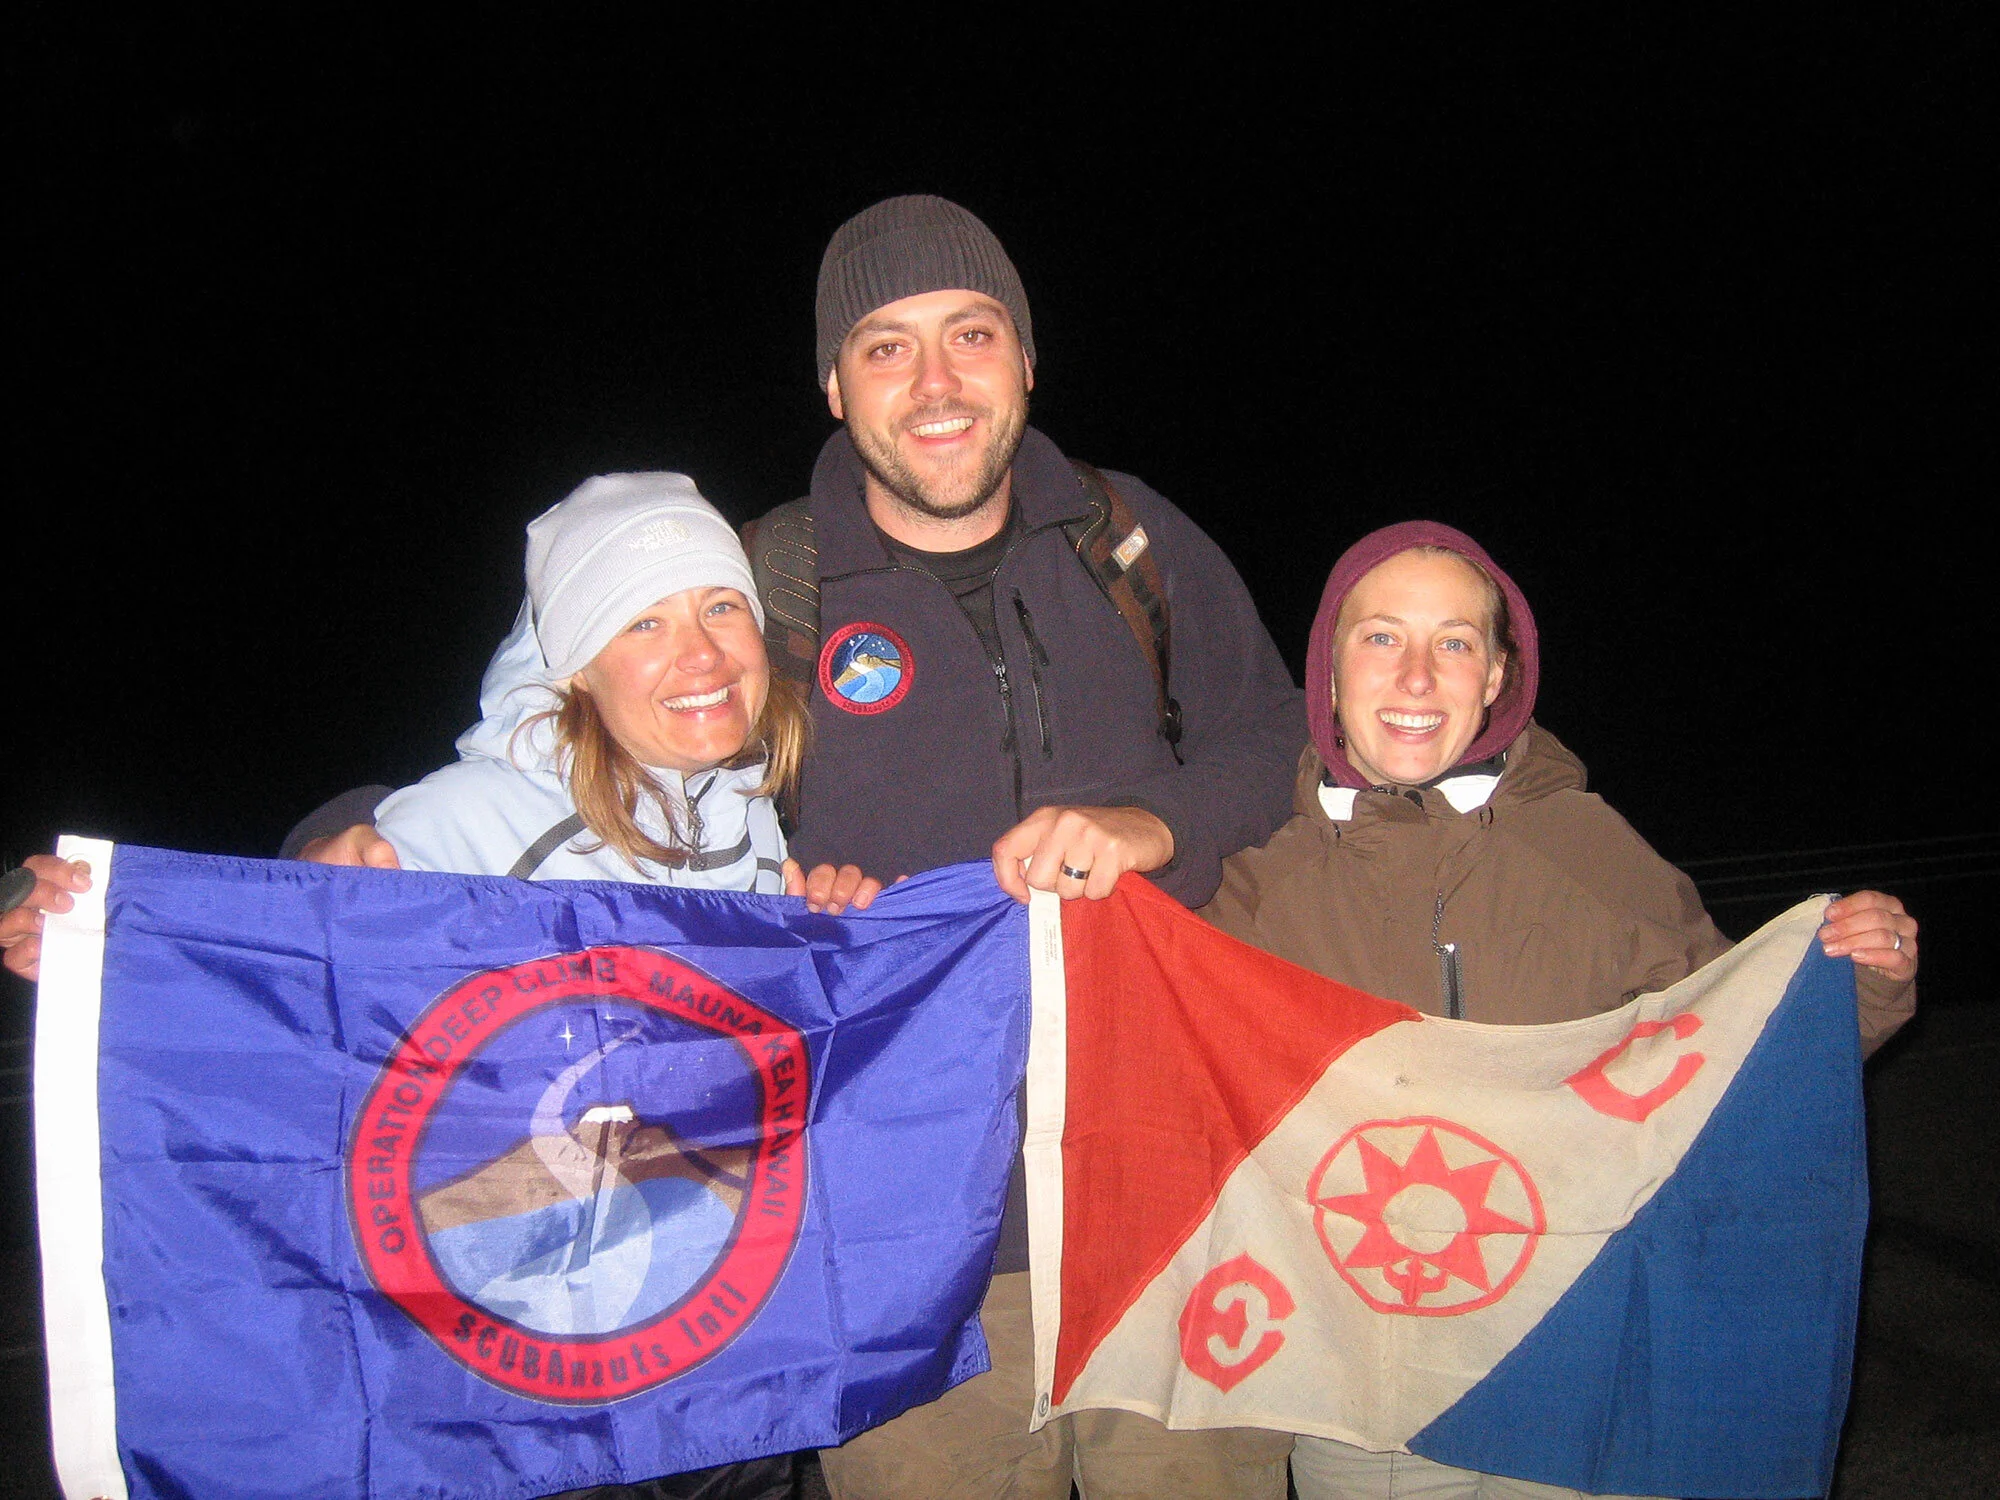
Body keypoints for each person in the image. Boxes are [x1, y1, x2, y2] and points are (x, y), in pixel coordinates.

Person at [269, 195, 1306, 1500]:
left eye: (971, 334)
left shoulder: (1130, 543)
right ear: (833, 382)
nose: (934, 383)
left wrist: (1158, 827)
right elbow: (566, 737)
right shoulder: (770, 586)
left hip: (1175, 1217)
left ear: (1027, 359)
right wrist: (340, 842)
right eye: (885, 346)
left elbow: (1277, 738)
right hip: (895, 1249)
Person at [1202, 519, 1917, 1500]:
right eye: (1379, 638)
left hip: (1580, 1370)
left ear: (1496, 677)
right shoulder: (1255, 891)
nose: (1414, 675)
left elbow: (1733, 1053)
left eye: (1452, 643)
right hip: (1369, 1402)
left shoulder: (1584, 848)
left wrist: (1855, 981)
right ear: (1325, 675)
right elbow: (1158, 1075)